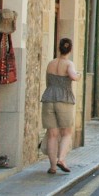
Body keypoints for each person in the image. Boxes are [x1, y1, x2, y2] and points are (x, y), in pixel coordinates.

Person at [41, 37, 80, 174]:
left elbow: (48, 81)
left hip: (48, 98)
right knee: (66, 132)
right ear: (70, 49)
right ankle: (61, 159)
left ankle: (52, 167)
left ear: (59, 48)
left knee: (52, 134)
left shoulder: (50, 64)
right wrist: (78, 75)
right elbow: (73, 77)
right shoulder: (69, 64)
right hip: (64, 100)